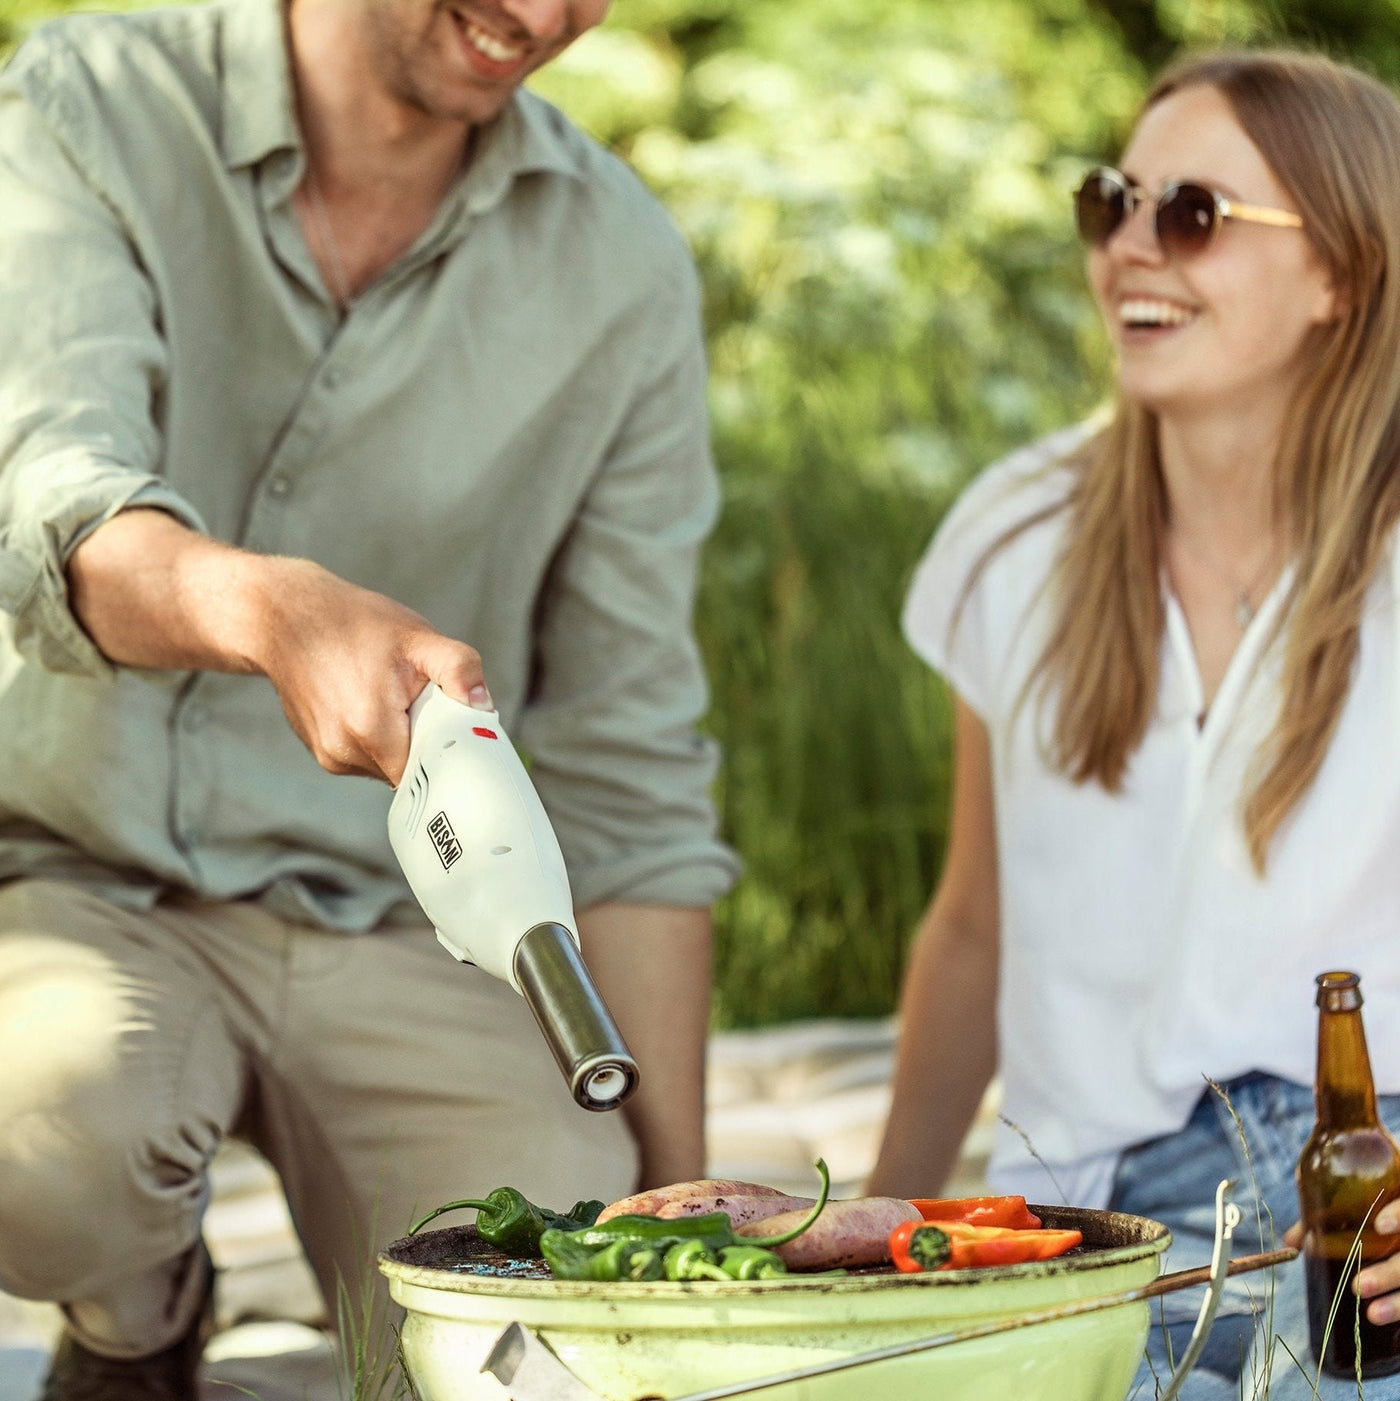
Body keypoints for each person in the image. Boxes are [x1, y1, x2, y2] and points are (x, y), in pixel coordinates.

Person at [0, 0, 740, 1394]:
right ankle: (138, 1318)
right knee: (44, 1147)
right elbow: (52, 507)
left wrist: (677, 1218)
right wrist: (267, 612)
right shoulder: (93, 105)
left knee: (538, 1350)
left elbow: (629, 761)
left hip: (421, 929)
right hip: (82, 879)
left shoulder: (621, 267)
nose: (542, 16)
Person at [868, 49, 1400, 1401]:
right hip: (1092, 1228)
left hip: (1364, 1185)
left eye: (1195, 215)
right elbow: (973, 925)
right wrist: (865, 1236)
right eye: (1113, 203)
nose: (1130, 250)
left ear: (1337, 273)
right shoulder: (1013, 538)